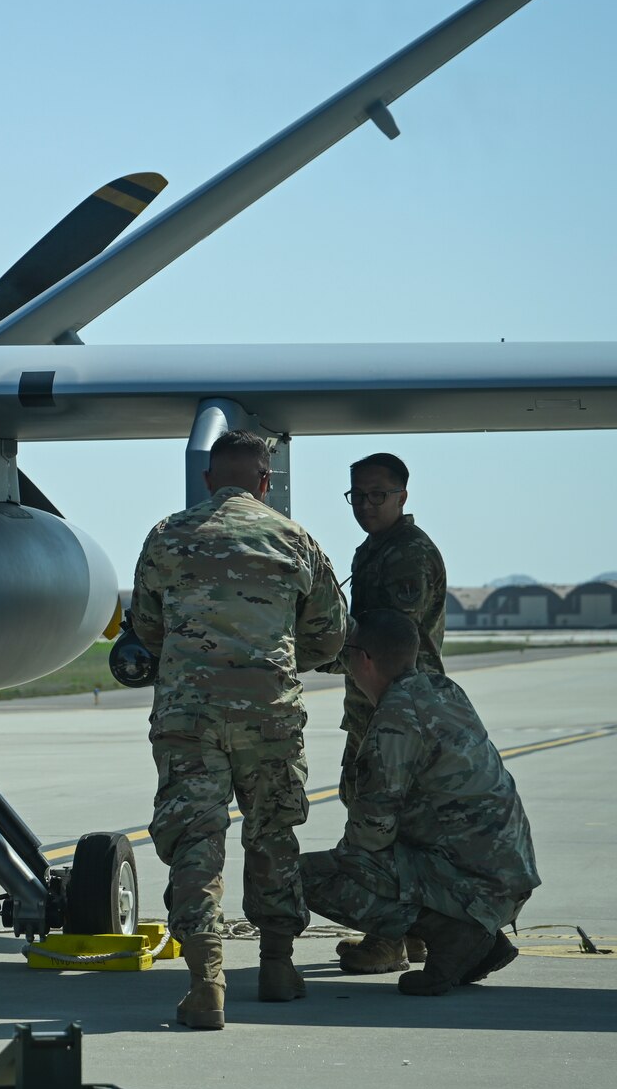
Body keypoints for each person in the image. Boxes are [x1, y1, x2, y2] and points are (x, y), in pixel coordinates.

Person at [132, 429, 347, 1030]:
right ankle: (277, 966)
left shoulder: (168, 535)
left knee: (195, 842)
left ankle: (206, 982)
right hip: (269, 714)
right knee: (273, 833)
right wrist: (275, 661)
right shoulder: (293, 538)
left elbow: (147, 626)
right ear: (265, 481)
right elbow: (330, 634)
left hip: (189, 717)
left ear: (207, 480)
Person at [304, 609, 537, 994]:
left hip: (473, 888)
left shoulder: (395, 718)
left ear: (364, 659)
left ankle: (454, 936)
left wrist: (347, 861)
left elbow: (372, 832)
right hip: (507, 876)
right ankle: (482, 941)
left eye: (347, 654)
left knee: (302, 876)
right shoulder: (442, 690)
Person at [332, 452, 447, 975]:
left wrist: (324, 645)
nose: (366, 505)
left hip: (396, 705)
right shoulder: (376, 549)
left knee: (378, 817)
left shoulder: (406, 554)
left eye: (378, 495)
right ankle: (417, 932)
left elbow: (390, 634)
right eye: (358, 495)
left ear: (402, 495)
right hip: (376, 703)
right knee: (400, 817)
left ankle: (387, 938)